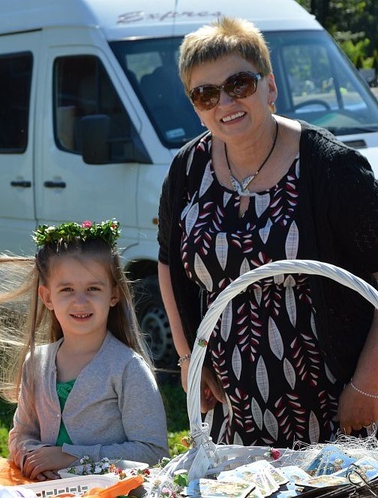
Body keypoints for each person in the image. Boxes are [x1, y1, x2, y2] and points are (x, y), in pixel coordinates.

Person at [157, 17, 378, 448]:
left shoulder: (332, 169)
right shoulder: (187, 169)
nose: (225, 102)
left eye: (239, 84)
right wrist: (189, 358)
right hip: (232, 409)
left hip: (337, 408)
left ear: (270, 87)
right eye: (205, 94)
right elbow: (169, 263)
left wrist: (369, 387)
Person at [0, 220, 168, 481]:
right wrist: (29, 455)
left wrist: (72, 458)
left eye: (93, 288)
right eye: (67, 289)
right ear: (47, 297)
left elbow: (153, 452)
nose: (80, 301)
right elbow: (21, 434)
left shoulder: (128, 367)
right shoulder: (36, 362)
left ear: (113, 295)